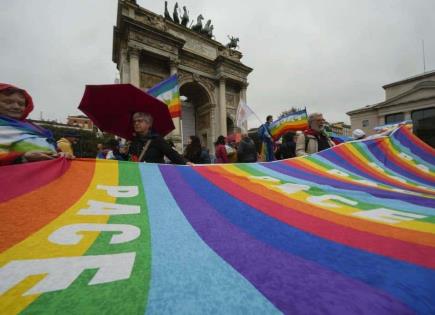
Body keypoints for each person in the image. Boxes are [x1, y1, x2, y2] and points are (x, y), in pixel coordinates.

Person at [0, 83, 66, 165]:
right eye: (8, 102)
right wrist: (23, 157)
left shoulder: (34, 127)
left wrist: (61, 154)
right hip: (14, 176)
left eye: (21, 104)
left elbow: (53, 148)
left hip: (48, 173)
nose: (16, 107)